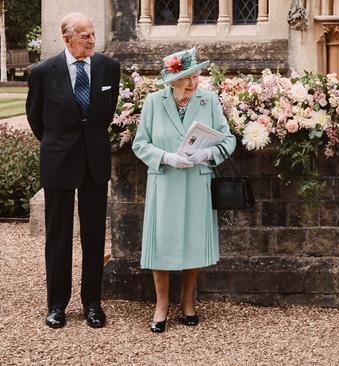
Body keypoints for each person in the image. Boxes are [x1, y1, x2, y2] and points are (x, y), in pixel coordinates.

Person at [25, 13, 120, 329]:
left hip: (95, 162)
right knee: (59, 235)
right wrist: (60, 145)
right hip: (58, 160)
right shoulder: (42, 72)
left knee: (94, 236)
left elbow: (105, 115)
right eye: (85, 35)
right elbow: (36, 118)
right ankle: (56, 305)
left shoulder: (109, 68)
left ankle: (92, 302)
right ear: (67, 39)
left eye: (93, 34)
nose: (92, 40)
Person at [132, 48, 236, 333]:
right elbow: (140, 144)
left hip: (196, 179)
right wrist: (166, 157)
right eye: (186, 78)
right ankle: (161, 304)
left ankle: (187, 301)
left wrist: (206, 155)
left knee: (192, 241)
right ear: (171, 80)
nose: (193, 83)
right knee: (161, 242)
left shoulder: (209, 100)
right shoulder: (154, 102)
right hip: (164, 179)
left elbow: (228, 141)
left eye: (196, 76)